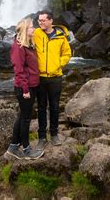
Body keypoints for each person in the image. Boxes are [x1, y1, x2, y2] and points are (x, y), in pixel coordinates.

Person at [6, 18, 44, 160]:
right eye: (30, 27)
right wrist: (25, 89)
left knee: (22, 116)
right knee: (26, 118)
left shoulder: (29, 45)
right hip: (24, 88)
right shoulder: (18, 47)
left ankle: (13, 147)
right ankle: (27, 149)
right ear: (24, 30)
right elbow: (19, 70)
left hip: (31, 85)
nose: (33, 29)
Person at [33, 10, 72, 150]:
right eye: (39, 20)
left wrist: (59, 63)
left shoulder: (61, 36)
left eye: (43, 20)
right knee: (41, 107)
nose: (40, 22)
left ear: (50, 21)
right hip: (40, 77)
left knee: (54, 106)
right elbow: (22, 37)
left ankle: (54, 134)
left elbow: (67, 53)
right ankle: (42, 137)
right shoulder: (36, 33)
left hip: (56, 77)